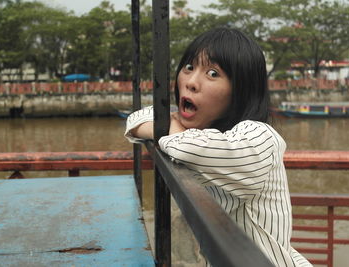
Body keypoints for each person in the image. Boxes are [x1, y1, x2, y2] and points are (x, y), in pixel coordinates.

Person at [125, 26, 311, 267]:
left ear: (240, 90)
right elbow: (136, 120)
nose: (191, 82)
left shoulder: (260, 137)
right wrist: (173, 126)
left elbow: (188, 148)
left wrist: (172, 128)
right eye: (189, 67)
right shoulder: (202, 131)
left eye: (212, 74)